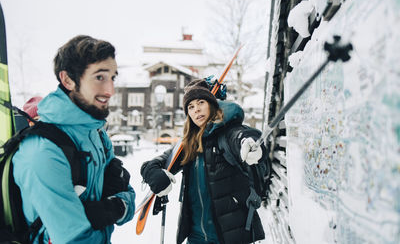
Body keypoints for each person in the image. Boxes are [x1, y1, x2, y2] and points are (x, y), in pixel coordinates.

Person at [12, 35, 135, 243]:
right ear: (68, 79)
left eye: (112, 78)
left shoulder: (97, 135)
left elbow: (128, 197)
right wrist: (110, 209)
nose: (110, 90)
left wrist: (117, 207)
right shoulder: (43, 150)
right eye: (99, 77)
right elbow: (74, 239)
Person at [141, 79, 266, 244]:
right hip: (196, 236)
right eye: (190, 107)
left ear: (212, 105)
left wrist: (248, 143)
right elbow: (155, 163)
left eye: (201, 102)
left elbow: (241, 136)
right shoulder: (188, 144)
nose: (196, 109)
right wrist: (154, 174)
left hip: (230, 235)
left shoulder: (226, 133)